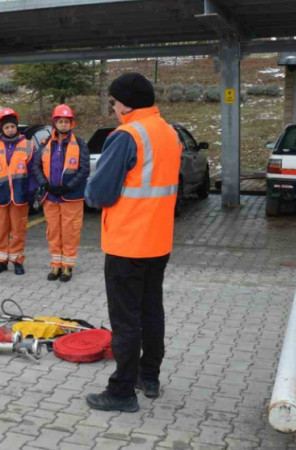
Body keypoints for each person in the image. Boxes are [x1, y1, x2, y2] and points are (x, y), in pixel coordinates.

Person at [84, 73, 181, 412]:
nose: (112, 108)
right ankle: (149, 377)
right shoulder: (169, 133)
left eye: (113, 102)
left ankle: (122, 391)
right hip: (159, 242)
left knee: (125, 320)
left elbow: (99, 194)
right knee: (151, 311)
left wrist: (89, 185)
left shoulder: (126, 136)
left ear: (124, 103)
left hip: (127, 244)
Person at [33, 104, 90, 282]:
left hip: (71, 197)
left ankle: (68, 267)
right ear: (54, 123)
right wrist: (45, 185)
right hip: (50, 196)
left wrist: (68, 187)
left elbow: (84, 169)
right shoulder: (45, 144)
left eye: (66, 121)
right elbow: (36, 167)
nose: (63, 125)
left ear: (71, 123)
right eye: (60, 121)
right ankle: (56, 265)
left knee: (70, 231)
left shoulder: (80, 144)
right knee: (53, 231)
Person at [0, 107, 36, 276]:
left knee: (18, 230)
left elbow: (33, 172)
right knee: (0, 230)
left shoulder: (28, 146)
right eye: (7, 127)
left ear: (17, 128)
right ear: (2, 128)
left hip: (19, 195)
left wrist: (31, 192)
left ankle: (17, 261)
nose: (10, 130)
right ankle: (1, 261)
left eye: (12, 127)